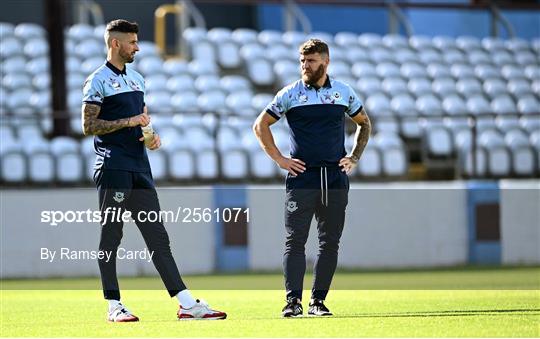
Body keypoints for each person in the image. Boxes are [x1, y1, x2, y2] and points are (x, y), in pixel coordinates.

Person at [81, 19, 226, 322]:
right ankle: (114, 305)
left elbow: (139, 120)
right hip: (113, 168)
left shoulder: (137, 78)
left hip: (139, 169)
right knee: (112, 236)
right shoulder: (97, 80)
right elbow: (88, 125)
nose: (137, 47)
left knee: (158, 238)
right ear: (116, 44)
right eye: (132, 42)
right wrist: (130, 122)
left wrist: (149, 136)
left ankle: (186, 303)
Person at [253, 39, 371, 317]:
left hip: (334, 178)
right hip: (302, 178)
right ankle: (292, 302)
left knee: (329, 242)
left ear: (325, 62)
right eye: (302, 61)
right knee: (295, 241)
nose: (305, 66)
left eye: (311, 61)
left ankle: (318, 302)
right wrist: (280, 159)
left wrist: (354, 157)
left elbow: (364, 123)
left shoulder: (343, 92)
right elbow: (260, 125)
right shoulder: (290, 94)